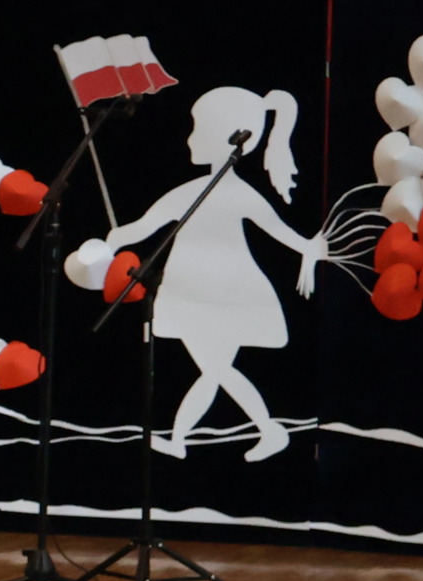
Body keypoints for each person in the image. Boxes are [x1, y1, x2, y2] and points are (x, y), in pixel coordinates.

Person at [100, 86, 323, 460]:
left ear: (230, 136)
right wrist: (116, 238)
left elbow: (279, 230)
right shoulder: (194, 191)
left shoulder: (230, 193)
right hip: (195, 291)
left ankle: (263, 432)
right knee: (214, 369)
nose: (190, 138)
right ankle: (194, 438)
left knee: (215, 368)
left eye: (197, 129)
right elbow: (146, 226)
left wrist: (310, 249)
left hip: (225, 294)